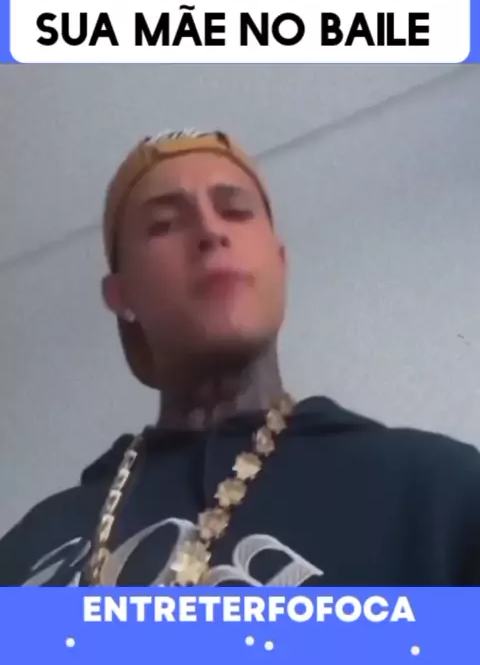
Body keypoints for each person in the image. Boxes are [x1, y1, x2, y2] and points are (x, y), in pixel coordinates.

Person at [1, 128, 479, 587]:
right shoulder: (30, 547)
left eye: (235, 211)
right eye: (163, 224)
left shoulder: (439, 495)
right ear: (121, 296)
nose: (211, 231)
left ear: (279, 264)